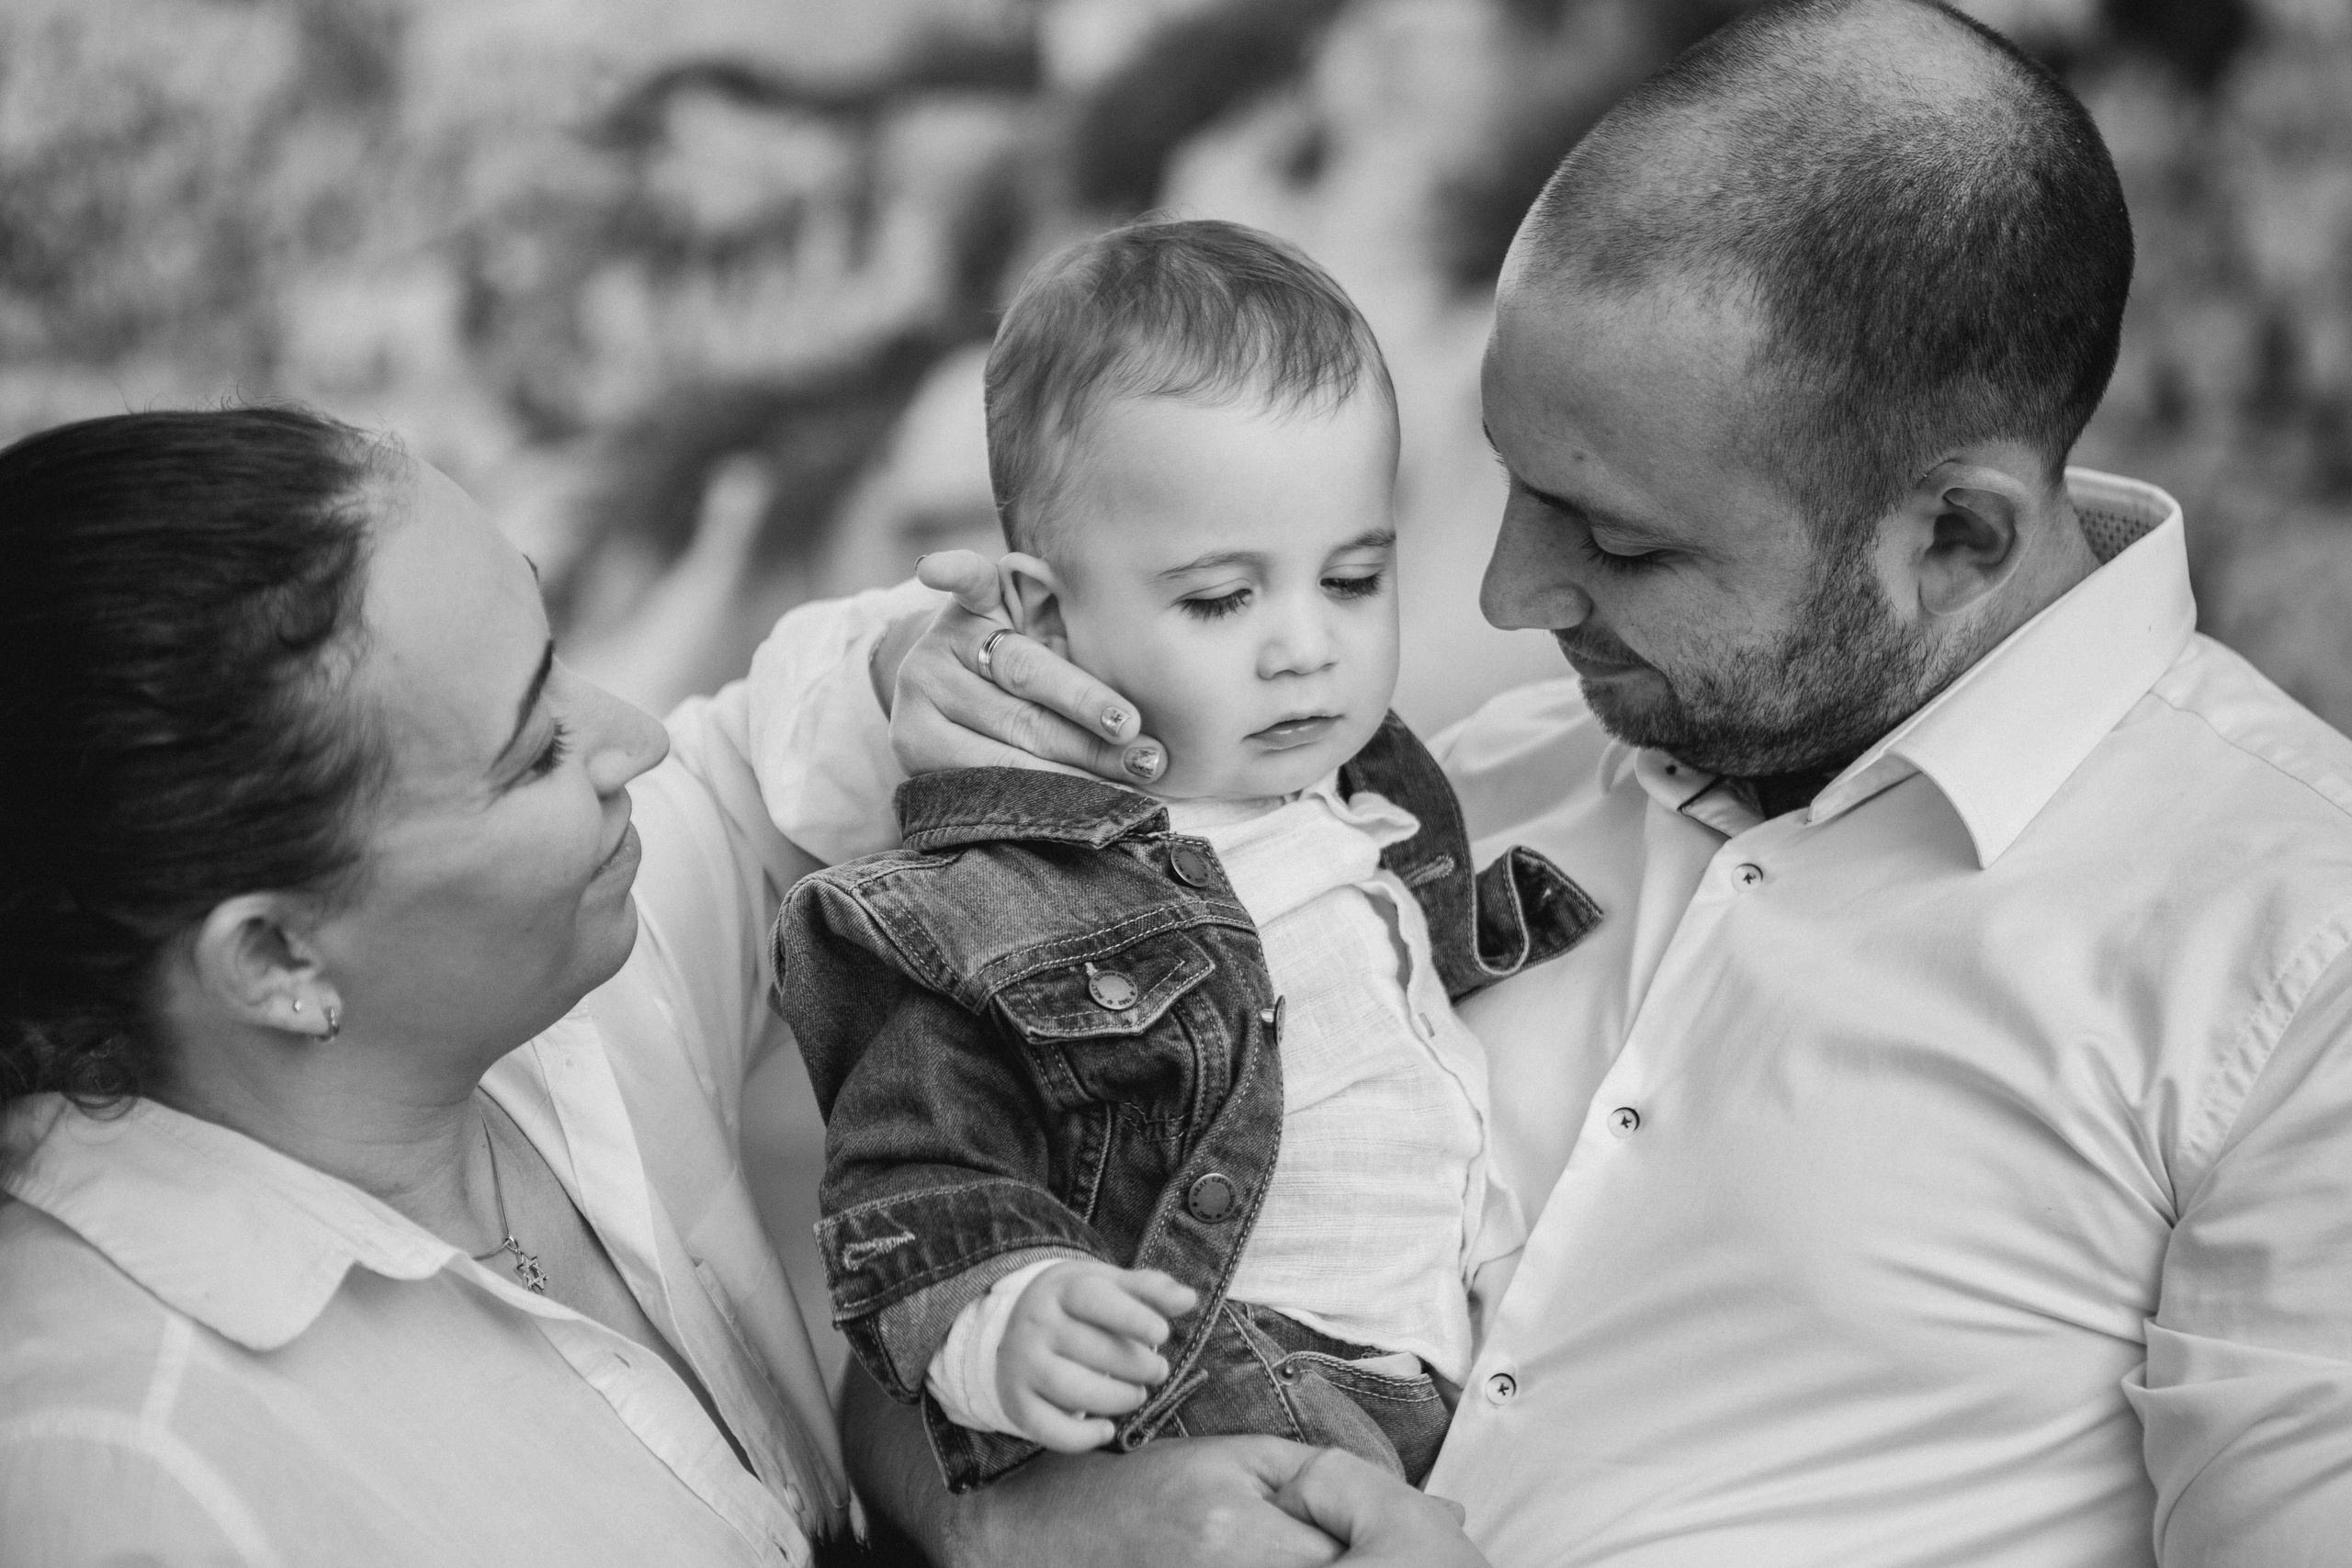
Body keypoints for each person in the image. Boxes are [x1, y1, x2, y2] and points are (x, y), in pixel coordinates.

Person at [741, 1, 2352, 1562]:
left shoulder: (2297, 958)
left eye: (1623, 540)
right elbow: (919, 1327)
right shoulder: (1411, 817)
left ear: (1956, 538)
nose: (1508, 594)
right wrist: (1023, 1525)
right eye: (1511, 484)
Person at [0, 406, 1466, 1568]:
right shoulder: (134, 1479)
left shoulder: (558, 976)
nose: (626, 736)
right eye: (533, 751)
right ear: (276, 960)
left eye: (559, 659)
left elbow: (769, 743)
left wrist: (927, 670)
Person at [775, 220, 1595, 1495]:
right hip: (1231, 1392)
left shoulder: (1373, 801)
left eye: (1353, 579)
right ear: (1048, 615)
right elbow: (914, 1161)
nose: (1305, 648)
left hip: (1440, 1387)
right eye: (1221, 599)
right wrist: (1008, 1312)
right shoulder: (1008, 899)